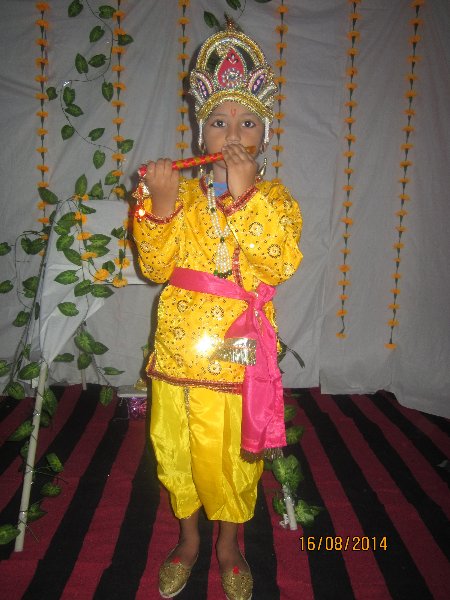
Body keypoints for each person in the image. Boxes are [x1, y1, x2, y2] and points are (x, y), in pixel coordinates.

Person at [133, 19, 303, 600]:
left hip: (237, 350)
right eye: (219, 122)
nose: (232, 133)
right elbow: (156, 267)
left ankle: (229, 545)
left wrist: (245, 195)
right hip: (178, 350)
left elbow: (279, 262)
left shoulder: (275, 200)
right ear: (199, 130)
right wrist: (159, 206)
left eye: (247, 122)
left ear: (265, 135)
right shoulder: (178, 194)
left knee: (233, 454)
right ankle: (187, 540)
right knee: (176, 448)